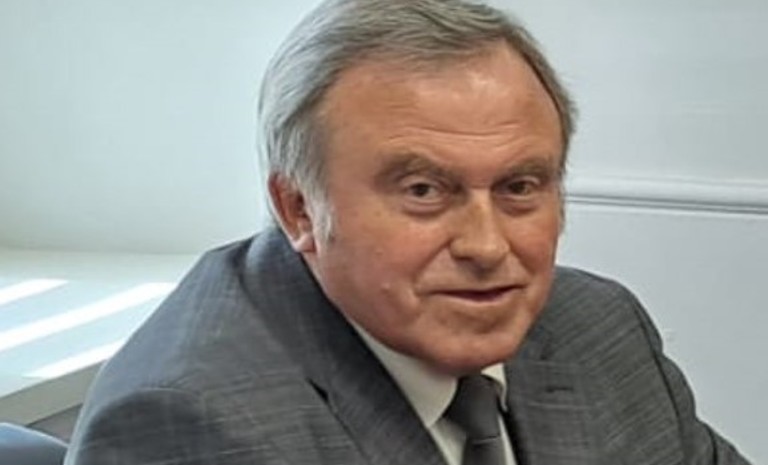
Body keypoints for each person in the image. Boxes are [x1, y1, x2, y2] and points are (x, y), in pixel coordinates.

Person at [65, 1, 751, 464]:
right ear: (299, 208)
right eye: (424, 191)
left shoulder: (598, 325)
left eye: (519, 187)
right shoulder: (189, 423)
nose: (487, 246)